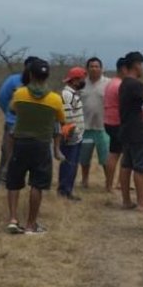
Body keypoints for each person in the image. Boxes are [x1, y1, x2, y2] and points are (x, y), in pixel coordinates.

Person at [4, 57, 66, 234]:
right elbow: (61, 120)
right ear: (47, 77)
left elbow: (12, 110)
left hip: (21, 143)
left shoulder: (20, 94)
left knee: (14, 181)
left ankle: (13, 219)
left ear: (30, 74)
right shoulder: (55, 99)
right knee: (37, 184)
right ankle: (31, 224)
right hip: (41, 144)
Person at [0, 56, 38, 184]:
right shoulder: (13, 80)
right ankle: (3, 179)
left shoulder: (39, 83)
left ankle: (28, 181)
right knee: (8, 151)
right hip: (13, 122)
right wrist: (10, 113)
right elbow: (2, 98)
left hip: (33, 125)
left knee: (31, 153)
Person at [117, 51, 143, 211]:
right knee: (139, 167)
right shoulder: (137, 84)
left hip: (126, 129)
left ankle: (126, 200)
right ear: (137, 64)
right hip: (139, 130)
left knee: (126, 165)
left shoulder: (124, 83)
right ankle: (141, 203)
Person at [78, 57, 113, 190]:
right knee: (84, 158)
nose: (94, 68)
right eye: (91, 66)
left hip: (103, 127)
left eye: (96, 66)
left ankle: (108, 184)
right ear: (87, 69)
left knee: (106, 159)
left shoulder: (108, 83)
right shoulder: (81, 83)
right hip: (85, 127)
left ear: (101, 68)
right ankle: (84, 180)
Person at [57, 66, 87, 200]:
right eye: (81, 79)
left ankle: (67, 190)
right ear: (74, 80)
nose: (83, 81)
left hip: (76, 135)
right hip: (70, 136)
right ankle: (64, 191)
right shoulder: (67, 95)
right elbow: (67, 118)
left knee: (72, 164)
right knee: (69, 164)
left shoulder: (72, 94)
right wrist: (70, 135)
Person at [103, 56, 128, 192]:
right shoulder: (119, 85)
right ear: (124, 69)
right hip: (117, 123)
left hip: (109, 122)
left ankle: (114, 183)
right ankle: (110, 185)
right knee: (115, 154)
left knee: (116, 153)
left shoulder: (111, 82)